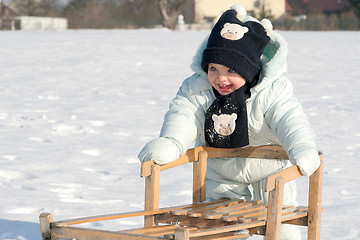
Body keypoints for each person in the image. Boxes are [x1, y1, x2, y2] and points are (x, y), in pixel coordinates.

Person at [138, 5, 320, 240]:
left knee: (282, 223)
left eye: (231, 70)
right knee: (219, 225)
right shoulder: (198, 88)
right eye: (214, 68)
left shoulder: (272, 91)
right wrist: (172, 142)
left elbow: (290, 120)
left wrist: (302, 147)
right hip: (222, 171)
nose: (220, 78)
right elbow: (184, 114)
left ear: (250, 69)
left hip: (271, 172)